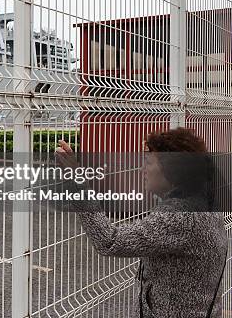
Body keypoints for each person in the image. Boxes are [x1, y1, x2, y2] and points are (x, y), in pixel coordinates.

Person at [57, 128, 227, 318]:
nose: (142, 169)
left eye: (148, 162)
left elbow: (109, 241)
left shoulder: (180, 216)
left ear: (171, 169)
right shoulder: (204, 202)